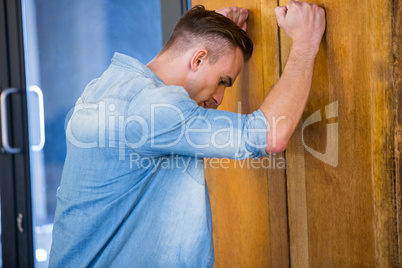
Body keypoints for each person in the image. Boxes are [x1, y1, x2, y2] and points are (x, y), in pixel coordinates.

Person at [49, 1, 325, 267]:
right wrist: (305, 42)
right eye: (222, 82)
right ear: (198, 59)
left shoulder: (108, 87)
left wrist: (211, 33)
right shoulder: (153, 108)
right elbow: (268, 136)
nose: (219, 99)